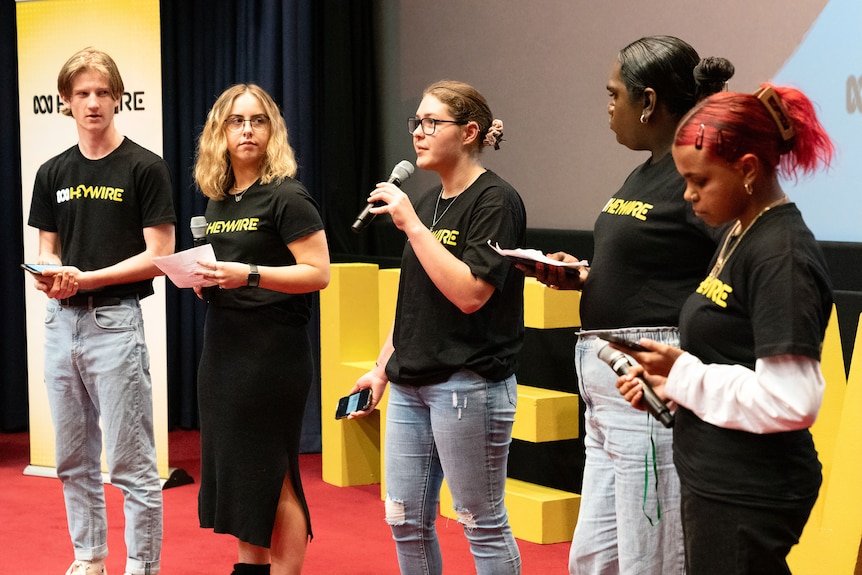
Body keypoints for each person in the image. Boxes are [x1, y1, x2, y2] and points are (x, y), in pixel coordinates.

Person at [522, 36, 735, 575]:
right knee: (593, 562)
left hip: (647, 379)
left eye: (614, 94)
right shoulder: (646, 171)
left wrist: (678, 357)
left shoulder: (695, 173)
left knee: (652, 560)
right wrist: (587, 277)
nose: (607, 106)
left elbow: (729, 272)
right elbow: (655, 263)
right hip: (606, 389)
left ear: (648, 101)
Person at [615, 83, 834, 575]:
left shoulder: (782, 256)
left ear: (749, 170)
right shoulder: (742, 230)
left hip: (751, 486)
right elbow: (732, 356)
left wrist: (686, 376)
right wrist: (671, 384)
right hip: (719, 473)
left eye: (699, 181)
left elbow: (791, 402)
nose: (687, 195)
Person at [347, 80, 526, 575]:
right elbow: (414, 305)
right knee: (404, 519)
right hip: (410, 384)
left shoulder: (495, 200)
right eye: (417, 123)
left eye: (432, 123)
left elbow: (471, 294)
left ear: (470, 132)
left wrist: (413, 228)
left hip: (467, 385)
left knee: (479, 520)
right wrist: (381, 369)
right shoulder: (427, 202)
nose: (419, 134)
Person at [27, 47, 176, 575]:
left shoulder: (145, 166)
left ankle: (142, 565)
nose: (93, 102)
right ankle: (89, 558)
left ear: (117, 99)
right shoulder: (51, 171)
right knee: (72, 460)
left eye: (102, 92)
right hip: (59, 325)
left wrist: (86, 278)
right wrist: (50, 271)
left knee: (132, 463)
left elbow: (159, 257)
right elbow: (47, 246)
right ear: (65, 102)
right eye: (82, 93)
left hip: (115, 323)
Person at [191, 84, 330, 575]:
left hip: (272, 355)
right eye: (235, 121)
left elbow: (318, 274)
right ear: (220, 132)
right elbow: (228, 270)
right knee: (244, 476)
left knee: (276, 473)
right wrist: (206, 281)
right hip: (224, 349)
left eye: (257, 120)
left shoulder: (288, 196)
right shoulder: (218, 200)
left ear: (273, 131)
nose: (246, 130)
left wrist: (248, 274)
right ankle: (251, 567)